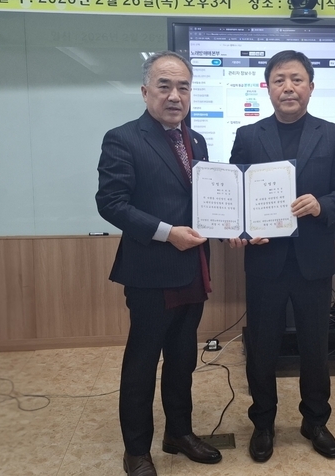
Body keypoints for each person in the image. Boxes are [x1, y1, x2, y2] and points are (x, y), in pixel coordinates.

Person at [229, 49, 335, 463]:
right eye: (279, 79)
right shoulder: (249, 136)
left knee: (315, 348)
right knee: (262, 348)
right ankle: (263, 422)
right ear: (267, 87)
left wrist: (322, 205)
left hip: (313, 261)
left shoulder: (333, 134)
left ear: (310, 87)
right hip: (264, 261)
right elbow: (235, 193)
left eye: (297, 79)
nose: (288, 87)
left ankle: (315, 421)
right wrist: (240, 231)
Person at [96, 51, 222, 476]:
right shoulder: (124, 138)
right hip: (151, 272)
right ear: (145, 90)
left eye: (183, 87)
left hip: (192, 269)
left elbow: (206, 201)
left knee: (183, 358)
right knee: (142, 363)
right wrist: (169, 232)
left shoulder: (197, 140)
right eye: (164, 86)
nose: (174, 96)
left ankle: (178, 433)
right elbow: (111, 203)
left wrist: (232, 225)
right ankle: (136, 450)